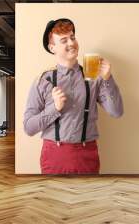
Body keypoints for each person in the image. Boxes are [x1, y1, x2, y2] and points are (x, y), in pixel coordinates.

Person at [23, 18, 124, 174]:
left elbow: (116, 112)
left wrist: (107, 78)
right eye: (64, 40)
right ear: (52, 48)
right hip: (54, 155)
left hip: (87, 155)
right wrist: (54, 108)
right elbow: (29, 127)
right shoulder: (43, 80)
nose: (71, 43)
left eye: (72, 37)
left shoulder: (94, 76)